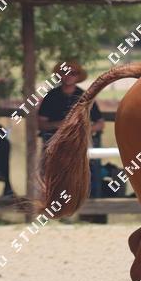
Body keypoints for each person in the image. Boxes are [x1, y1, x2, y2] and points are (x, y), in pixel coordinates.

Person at [38, 60, 105, 196]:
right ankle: (53, 194)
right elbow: (41, 123)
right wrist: (60, 125)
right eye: (65, 72)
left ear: (78, 76)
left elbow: (100, 123)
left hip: (79, 141)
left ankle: (85, 194)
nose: (69, 76)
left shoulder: (85, 97)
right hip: (55, 140)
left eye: (73, 73)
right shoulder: (51, 96)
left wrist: (83, 130)